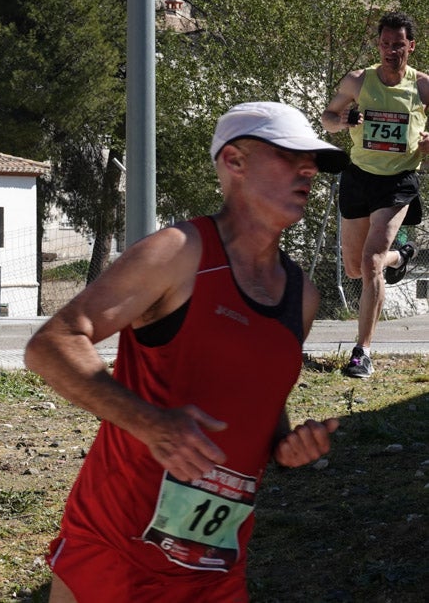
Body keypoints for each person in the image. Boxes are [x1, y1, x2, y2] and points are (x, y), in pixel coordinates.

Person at [24, 102, 343, 602]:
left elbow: (255, 396)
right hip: (116, 546)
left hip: (214, 564)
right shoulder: (180, 253)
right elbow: (54, 343)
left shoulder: (301, 294)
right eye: (289, 156)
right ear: (234, 161)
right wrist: (151, 423)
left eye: (313, 162)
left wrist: (286, 445)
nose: (308, 170)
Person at [321, 10, 429, 378]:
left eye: (398, 45)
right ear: (378, 45)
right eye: (385, 44)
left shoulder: (423, 87)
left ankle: (362, 351)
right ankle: (401, 256)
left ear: (410, 47)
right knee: (355, 268)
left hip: (398, 182)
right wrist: (344, 120)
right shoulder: (357, 81)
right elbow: (327, 119)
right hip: (359, 177)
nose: (390, 51)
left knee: (370, 261)